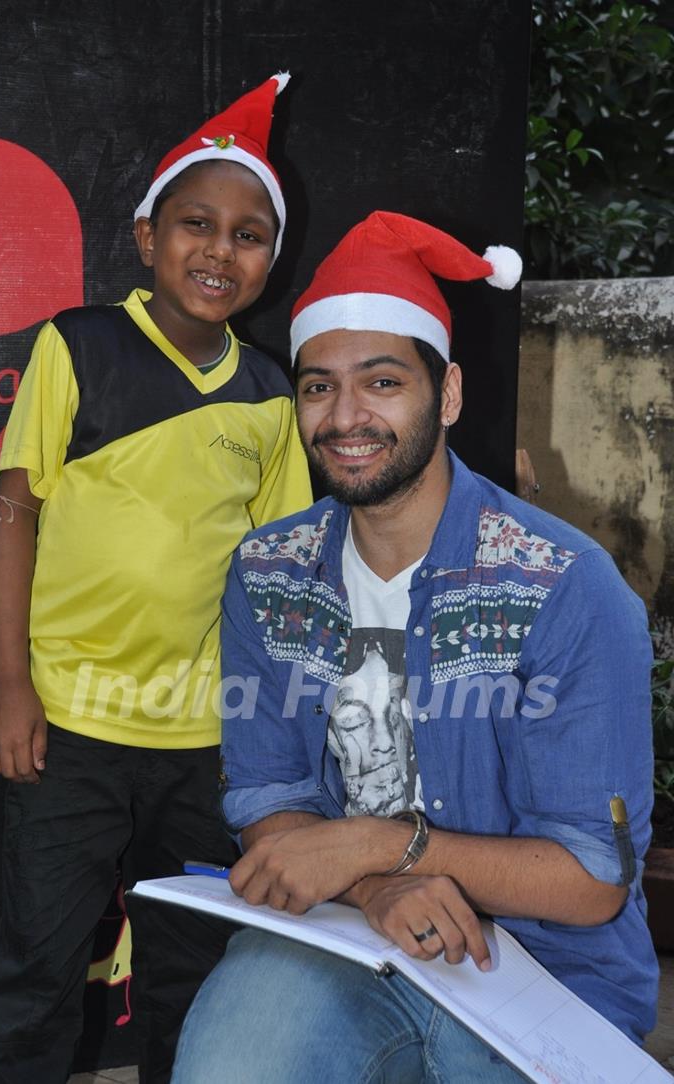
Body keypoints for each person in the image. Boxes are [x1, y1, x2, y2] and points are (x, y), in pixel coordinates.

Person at [170, 212, 657, 1084]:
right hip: (345, 933)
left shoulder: (563, 588)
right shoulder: (270, 573)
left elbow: (591, 878)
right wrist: (373, 885)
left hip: (544, 969)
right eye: (318, 387)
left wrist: (372, 845)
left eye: (383, 382)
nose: (346, 416)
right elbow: (268, 795)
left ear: (451, 394)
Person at [0, 73, 311, 1084]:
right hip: (72, 723)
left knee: (194, 971)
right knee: (35, 961)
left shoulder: (268, 397)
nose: (220, 250)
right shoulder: (76, 346)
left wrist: (276, 726)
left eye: (250, 234)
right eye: (196, 224)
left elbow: (283, 572)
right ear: (146, 234)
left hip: (207, 740)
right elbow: (12, 513)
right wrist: (8, 682)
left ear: (272, 257)